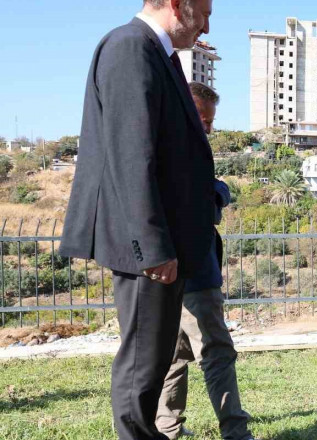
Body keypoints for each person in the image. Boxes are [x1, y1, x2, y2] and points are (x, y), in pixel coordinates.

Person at [58, 1, 215, 438]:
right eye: (203, 12)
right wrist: (153, 246)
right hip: (148, 249)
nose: (205, 24)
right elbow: (131, 156)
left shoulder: (152, 52)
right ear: (177, 5)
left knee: (153, 361)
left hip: (161, 244)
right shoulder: (131, 47)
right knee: (141, 368)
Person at [154, 83, 256, 440]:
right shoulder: (182, 152)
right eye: (204, 119)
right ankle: (236, 432)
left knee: (173, 354)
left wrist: (218, 189)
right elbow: (206, 204)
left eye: (211, 121)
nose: (209, 128)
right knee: (217, 352)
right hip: (195, 272)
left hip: (166, 272)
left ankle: (166, 428)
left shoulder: (163, 146)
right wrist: (220, 191)